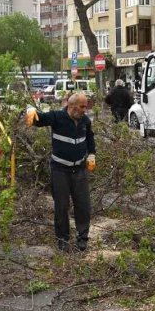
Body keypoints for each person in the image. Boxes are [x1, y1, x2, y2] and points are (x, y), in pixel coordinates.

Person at [26, 93, 96, 252]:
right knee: (61, 206)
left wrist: (92, 154)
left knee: (83, 205)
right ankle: (62, 239)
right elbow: (39, 119)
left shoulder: (85, 121)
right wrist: (30, 109)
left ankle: (82, 238)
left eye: (86, 106)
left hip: (79, 170)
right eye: (82, 106)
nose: (85, 110)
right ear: (72, 106)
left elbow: (90, 138)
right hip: (60, 170)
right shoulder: (57, 117)